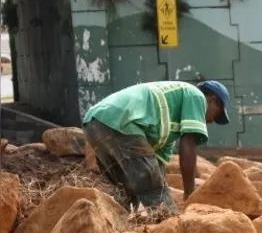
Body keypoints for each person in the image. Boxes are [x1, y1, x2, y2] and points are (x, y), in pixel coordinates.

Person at [82, 80, 230, 211]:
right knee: (156, 194)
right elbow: (188, 144)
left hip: (95, 123)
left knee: (125, 192)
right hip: (120, 121)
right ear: (212, 100)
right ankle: (170, 232)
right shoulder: (196, 96)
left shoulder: (166, 129)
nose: (212, 121)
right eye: (216, 115)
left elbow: (156, 166)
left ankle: (118, 230)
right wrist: (189, 193)